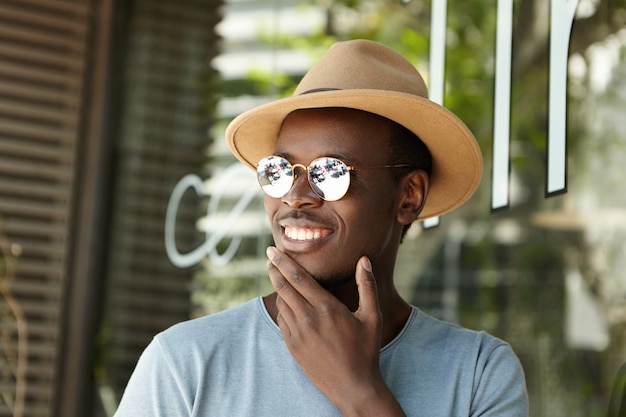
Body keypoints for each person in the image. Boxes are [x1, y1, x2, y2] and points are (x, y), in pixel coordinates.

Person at [114, 39, 528, 416]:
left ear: (408, 196)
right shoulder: (184, 362)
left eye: (330, 171)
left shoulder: (479, 373)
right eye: (279, 170)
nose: (295, 195)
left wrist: (361, 393)